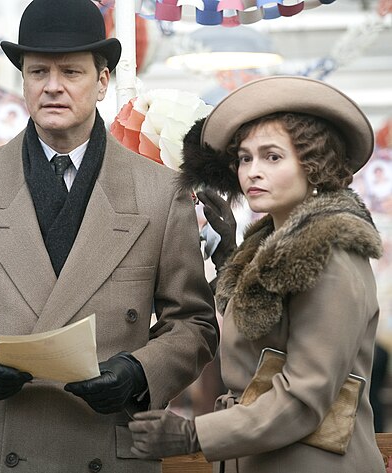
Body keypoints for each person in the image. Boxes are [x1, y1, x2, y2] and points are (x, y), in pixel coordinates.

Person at [0, 0, 218, 471]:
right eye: (37, 71)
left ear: (103, 81)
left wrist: (139, 372)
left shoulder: (161, 192)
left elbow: (194, 322)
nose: (53, 87)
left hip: (108, 444)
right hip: (1, 440)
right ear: (22, 81)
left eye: (71, 71)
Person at [128, 76, 386, 473]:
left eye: (272, 157)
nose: (252, 172)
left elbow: (303, 397)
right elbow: (260, 338)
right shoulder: (274, 247)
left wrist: (194, 435)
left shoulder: (329, 254)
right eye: (245, 158)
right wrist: (231, 258)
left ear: (314, 165)